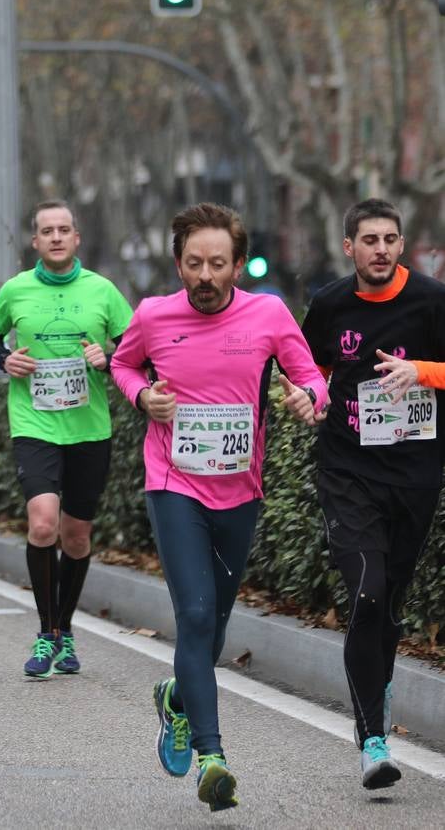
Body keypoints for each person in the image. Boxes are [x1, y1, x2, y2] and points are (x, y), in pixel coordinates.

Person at [110, 202, 327, 812]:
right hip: (173, 483)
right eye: (194, 264)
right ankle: (212, 757)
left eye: (218, 264)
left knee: (216, 625)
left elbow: (310, 376)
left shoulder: (269, 313)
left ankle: (178, 697)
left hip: (240, 489)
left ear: (237, 266)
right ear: (179, 263)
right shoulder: (153, 315)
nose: (205, 276)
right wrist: (141, 396)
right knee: (197, 616)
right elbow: (125, 365)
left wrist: (308, 398)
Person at [300, 197, 445, 790]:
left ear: (401, 245)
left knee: (388, 605)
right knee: (365, 593)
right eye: (370, 240)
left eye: (390, 239)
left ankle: (377, 684)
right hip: (347, 471)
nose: (380, 249)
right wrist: (306, 395)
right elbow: (307, 370)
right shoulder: (331, 304)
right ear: (349, 247)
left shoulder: (433, 300)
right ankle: (372, 742)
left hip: (414, 474)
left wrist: (425, 374)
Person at [0, 200, 134, 678]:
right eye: (48, 231)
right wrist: (5, 360)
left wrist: (108, 356)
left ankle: (65, 631)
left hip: (90, 428)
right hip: (35, 424)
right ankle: (46, 634)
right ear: (36, 241)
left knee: (77, 536)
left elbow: (133, 348)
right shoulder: (16, 290)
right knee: (43, 525)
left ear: (77, 238)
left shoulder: (103, 292)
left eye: (65, 229)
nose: (57, 237)